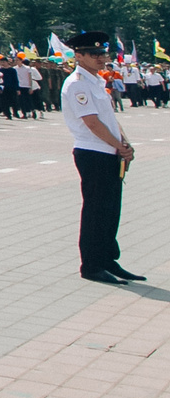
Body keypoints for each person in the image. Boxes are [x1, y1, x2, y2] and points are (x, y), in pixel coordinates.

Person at [63, 32, 143, 284]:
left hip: (109, 152)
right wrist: (119, 146)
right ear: (78, 56)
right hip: (93, 153)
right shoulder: (77, 83)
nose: (101, 58)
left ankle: (108, 260)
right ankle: (92, 265)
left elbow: (109, 119)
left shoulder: (96, 81)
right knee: (96, 211)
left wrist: (124, 143)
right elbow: (92, 123)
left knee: (110, 210)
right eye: (94, 54)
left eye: (103, 53)